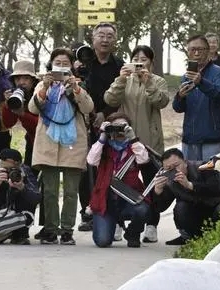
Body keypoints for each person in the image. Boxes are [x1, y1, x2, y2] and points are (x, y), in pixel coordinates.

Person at [28, 48, 94, 245]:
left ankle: (67, 230)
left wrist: (75, 89)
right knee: (49, 191)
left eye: (66, 63)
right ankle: (50, 228)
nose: (62, 66)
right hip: (48, 143)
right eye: (58, 63)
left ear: (73, 66)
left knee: (71, 191)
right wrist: (45, 88)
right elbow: (32, 108)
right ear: (51, 64)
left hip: (73, 143)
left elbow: (88, 108)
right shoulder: (42, 84)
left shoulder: (79, 84)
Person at [104, 44, 169, 243]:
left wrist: (148, 82)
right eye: (136, 59)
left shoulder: (158, 81)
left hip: (150, 141)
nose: (140, 63)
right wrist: (121, 79)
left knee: (152, 182)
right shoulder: (124, 80)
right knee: (121, 182)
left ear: (151, 62)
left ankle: (152, 225)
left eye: (144, 59)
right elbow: (109, 99)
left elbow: (161, 102)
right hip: (124, 143)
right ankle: (118, 224)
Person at [75, 22, 125, 232]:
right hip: (85, 120)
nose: (105, 39)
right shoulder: (82, 61)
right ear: (93, 39)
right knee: (86, 167)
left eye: (109, 36)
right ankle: (86, 213)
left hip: (110, 119)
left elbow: (120, 92)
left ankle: (108, 210)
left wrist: (104, 113)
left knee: (109, 167)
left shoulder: (119, 64)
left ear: (115, 41)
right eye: (101, 35)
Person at [87, 112, 150, 248]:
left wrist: (133, 139)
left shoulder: (134, 147)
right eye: (115, 128)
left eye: (122, 127)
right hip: (106, 201)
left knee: (143, 210)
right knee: (102, 241)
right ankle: (111, 224)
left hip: (129, 198)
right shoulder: (104, 148)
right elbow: (91, 160)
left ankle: (132, 233)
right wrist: (102, 136)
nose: (119, 131)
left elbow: (144, 159)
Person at [152, 148, 220, 245]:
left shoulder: (204, 167)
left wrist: (190, 185)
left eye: (176, 166)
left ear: (185, 162)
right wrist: (158, 191)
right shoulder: (171, 180)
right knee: (180, 208)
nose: (174, 171)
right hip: (195, 214)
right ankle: (191, 237)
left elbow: (217, 189)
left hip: (214, 207)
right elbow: (160, 208)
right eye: (169, 169)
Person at [173, 34, 220, 162]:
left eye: (201, 49)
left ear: (208, 51)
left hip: (211, 139)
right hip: (190, 139)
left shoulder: (219, 72)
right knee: (192, 178)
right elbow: (177, 108)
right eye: (192, 50)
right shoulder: (186, 77)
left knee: (213, 178)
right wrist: (180, 96)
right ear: (188, 52)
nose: (197, 53)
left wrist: (201, 82)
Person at [1, 60, 40, 172]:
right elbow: (8, 123)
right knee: (29, 174)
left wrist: (22, 114)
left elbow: (41, 124)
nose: (21, 82)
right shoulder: (16, 95)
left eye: (26, 78)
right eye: (18, 79)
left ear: (33, 81)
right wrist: (8, 105)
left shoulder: (41, 94)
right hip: (31, 141)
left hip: (45, 141)